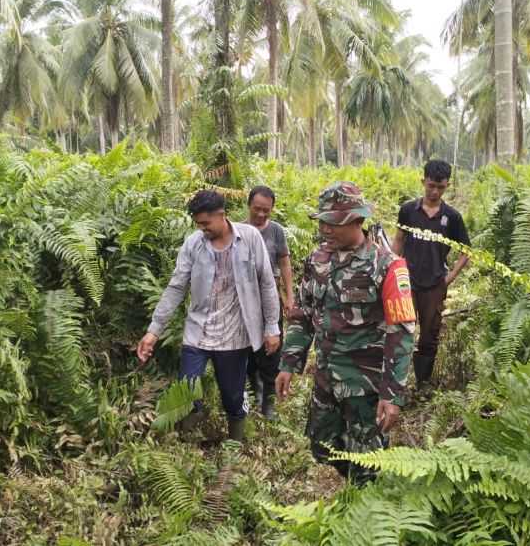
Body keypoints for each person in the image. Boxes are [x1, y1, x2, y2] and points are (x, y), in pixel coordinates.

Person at [275, 182, 416, 484]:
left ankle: (365, 511)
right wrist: (289, 362)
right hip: (326, 378)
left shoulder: (387, 265)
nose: (326, 229)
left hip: (364, 386)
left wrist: (392, 395)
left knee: (369, 462)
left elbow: (401, 333)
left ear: (357, 220)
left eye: (334, 222)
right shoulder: (317, 260)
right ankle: (352, 485)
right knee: (322, 446)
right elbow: (302, 313)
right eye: (322, 220)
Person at [136, 189, 280, 441]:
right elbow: (176, 286)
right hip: (198, 333)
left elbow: (267, 284)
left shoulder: (250, 238)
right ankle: (188, 446)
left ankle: (234, 446)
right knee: (187, 390)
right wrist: (153, 331)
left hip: (234, 336)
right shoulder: (193, 244)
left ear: (222, 215)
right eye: (198, 224)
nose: (202, 228)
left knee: (233, 396)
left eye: (205, 223)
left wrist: (272, 328)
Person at [392, 159, 470, 389]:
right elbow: (398, 239)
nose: (435, 191)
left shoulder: (452, 217)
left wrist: (450, 277)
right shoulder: (408, 210)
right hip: (406, 283)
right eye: (431, 185)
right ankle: (397, 383)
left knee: (429, 336)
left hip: (435, 285)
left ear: (447, 186)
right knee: (401, 333)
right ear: (423, 181)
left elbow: (466, 251)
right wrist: (392, 269)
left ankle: (421, 385)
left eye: (441, 187)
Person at [243, 186, 295, 420]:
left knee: (272, 346)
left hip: (270, 295)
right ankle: (257, 391)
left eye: (267, 210)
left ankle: (269, 404)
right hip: (244, 297)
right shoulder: (238, 230)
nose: (261, 215)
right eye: (257, 209)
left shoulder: (276, 231)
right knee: (247, 347)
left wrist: (289, 295)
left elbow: (284, 263)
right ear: (248, 206)